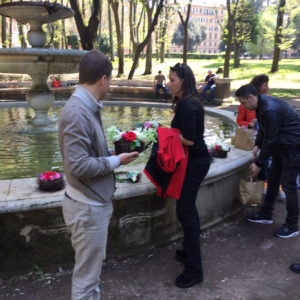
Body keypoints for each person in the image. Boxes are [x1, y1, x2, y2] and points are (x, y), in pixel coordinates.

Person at [58, 50, 138, 300]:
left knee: (90, 277)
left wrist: (110, 152)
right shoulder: (77, 112)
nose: (111, 85)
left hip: (90, 205)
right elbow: (78, 166)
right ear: (103, 79)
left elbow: (85, 155)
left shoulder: (85, 106)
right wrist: (116, 160)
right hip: (87, 209)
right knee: (86, 280)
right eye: (111, 80)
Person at [235, 84, 300, 238]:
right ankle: (266, 213)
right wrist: (257, 144)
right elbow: (264, 129)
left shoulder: (269, 109)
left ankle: (292, 225)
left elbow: (271, 138)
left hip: (293, 147)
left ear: (250, 98)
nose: (242, 106)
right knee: (272, 179)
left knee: (288, 186)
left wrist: (259, 164)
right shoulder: (260, 104)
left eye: (243, 102)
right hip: (282, 145)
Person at [167, 63, 211, 288]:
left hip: (195, 162)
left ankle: (195, 270)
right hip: (194, 161)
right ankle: (186, 252)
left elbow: (191, 140)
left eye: (173, 79)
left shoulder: (187, 105)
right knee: (186, 208)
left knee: (186, 211)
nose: (169, 83)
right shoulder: (188, 102)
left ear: (184, 81)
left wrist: (166, 133)